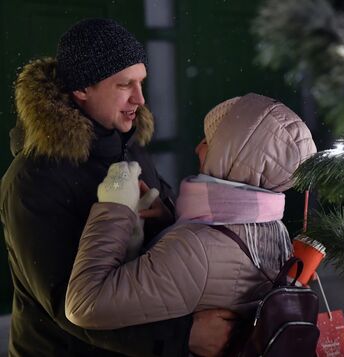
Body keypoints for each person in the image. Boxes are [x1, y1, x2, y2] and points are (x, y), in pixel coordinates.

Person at [0, 18, 231, 357]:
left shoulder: (127, 143)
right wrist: (182, 338)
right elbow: (70, 305)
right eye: (125, 85)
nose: (140, 98)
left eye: (141, 82)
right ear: (81, 89)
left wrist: (164, 219)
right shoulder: (33, 180)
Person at [63, 94, 317, 332]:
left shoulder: (195, 250)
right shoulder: (276, 233)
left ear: (233, 160)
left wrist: (115, 206)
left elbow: (85, 304)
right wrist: (170, 225)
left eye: (209, 143)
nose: (198, 148)